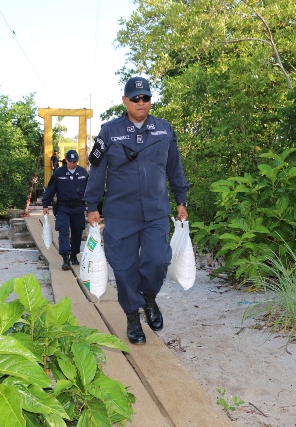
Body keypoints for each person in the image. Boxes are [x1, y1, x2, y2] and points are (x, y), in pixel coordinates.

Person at [84, 76, 190, 345]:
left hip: (155, 211)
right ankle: (132, 315)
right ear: (125, 100)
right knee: (123, 267)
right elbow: (97, 171)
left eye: (146, 98)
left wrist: (181, 200)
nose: (141, 102)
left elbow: (175, 168)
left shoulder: (164, 130)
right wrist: (92, 205)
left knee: (157, 260)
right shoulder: (109, 132)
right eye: (135, 98)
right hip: (121, 213)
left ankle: (149, 298)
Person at [42, 150, 89, 270]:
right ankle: (65, 258)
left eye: (75, 162)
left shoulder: (83, 173)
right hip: (63, 207)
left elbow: (89, 190)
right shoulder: (59, 173)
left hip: (78, 207)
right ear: (66, 160)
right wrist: (45, 204)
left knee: (78, 232)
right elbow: (51, 189)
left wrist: (92, 207)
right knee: (63, 230)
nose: (73, 164)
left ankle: (74, 255)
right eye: (71, 161)